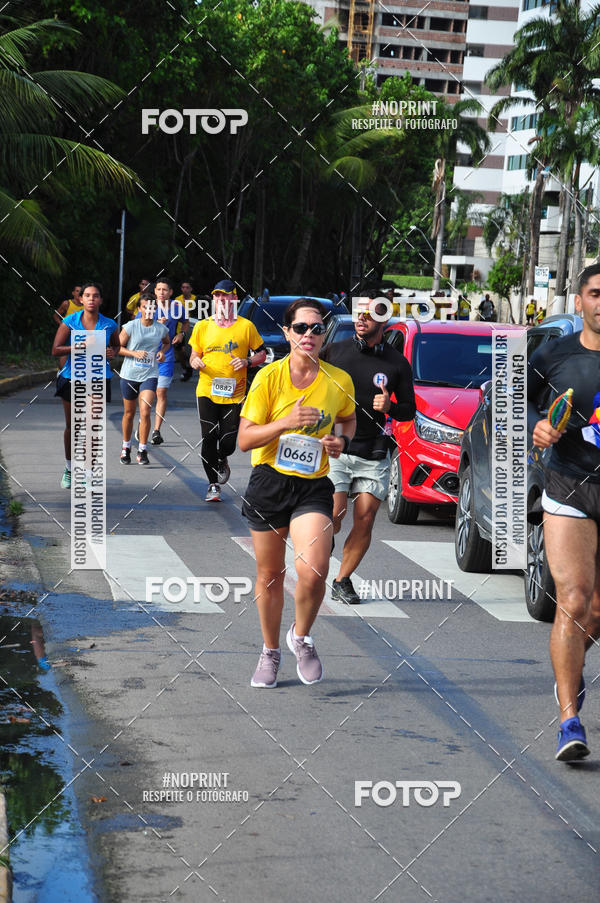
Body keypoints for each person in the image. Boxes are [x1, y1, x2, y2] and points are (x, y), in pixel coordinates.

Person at [238, 298, 356, 688]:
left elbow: (348, 420)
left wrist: (339, 441)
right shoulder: (268, 378)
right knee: (270, 575)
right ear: (287, 333)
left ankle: (301, 637)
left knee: (315, 569)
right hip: (270, 481)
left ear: (324, 334)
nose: (309, 334)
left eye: (316, 328)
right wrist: (285, 422)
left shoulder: (339, 379)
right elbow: (244, 439)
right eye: (301, 328)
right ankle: (270, 651)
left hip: (313, 485)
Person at [527, 262, 600, 762]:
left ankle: (568, 676)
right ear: (580, 300)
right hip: (569, 485)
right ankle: (568, 720)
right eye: (596, 293)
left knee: (597, 611)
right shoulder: (553, 353)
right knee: (573, 599)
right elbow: (526, 406)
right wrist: (539, 428)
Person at [320, 298, 416, 604]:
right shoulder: (335, 352)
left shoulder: (396, 363)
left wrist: (391, 407)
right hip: (337, 448)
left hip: (374, 451)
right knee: (334, 514)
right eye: (359, 313)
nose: (361, 319)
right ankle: (325, 545)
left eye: (369, 315)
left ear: (383, 321)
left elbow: (409, 412)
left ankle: (342, 579)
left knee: (365, 518)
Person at [189, 279, 266, 501]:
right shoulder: (203, 326)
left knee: (229, 441)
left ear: (234, 298)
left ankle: (222, 458)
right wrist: (195, 362)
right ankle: (213, 484)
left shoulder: (246, 326)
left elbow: (262, 354)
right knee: (208, 436)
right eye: (217, 295)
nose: (221, 299)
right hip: (206, 390)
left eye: (225, 295)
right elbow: (195, 354)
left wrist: (247, 361)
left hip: (235, 393)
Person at [51, 282, 119, 488]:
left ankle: (89, 473)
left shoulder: (109, 324)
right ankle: (70, 468)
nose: (91, 299)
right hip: (73, 377)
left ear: (101, 300)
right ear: (80, 299)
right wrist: (80, 345)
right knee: (73, 427)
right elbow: (56, 350)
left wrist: (112, 352)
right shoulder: (70, 322)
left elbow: (116, 345)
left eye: (95, 295)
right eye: (87, 295)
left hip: (98, 378)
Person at [119, 292, 170, 465]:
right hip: (129, 374)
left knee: (146, 411)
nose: (149, 310)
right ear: (139, 309)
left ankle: (142, 449)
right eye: (145, 307)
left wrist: (162, 352)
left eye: (152, 307)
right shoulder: (131, 326)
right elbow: (117, 347)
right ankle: (126, 447)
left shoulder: (161, 328)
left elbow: (167, 342)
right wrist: (133, 353)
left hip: (150, 374)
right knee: (129, 413)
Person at [149, 277, 188, 445]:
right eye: (158, 290)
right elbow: (136, 326)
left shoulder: (177, 307)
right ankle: (143, 421)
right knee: (147, 394)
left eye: (165, 290)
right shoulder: (147, 306)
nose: (161, 293)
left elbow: (185, 323)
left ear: (171, 292)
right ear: (155, 291)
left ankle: (156, 431)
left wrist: (181, 334)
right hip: (147, 356)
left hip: (166, 355)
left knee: (161, 392)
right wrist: (155, 324)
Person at [175, 280, 197, 381]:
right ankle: (186, 368)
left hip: (193, 330)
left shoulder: (195, 299)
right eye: (183, 287)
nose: (185, 289)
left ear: (191, 289)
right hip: (181, 330)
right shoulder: (177, 300)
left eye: (187, 287)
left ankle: (192, 367)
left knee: (191, 350)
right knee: (180, 351)